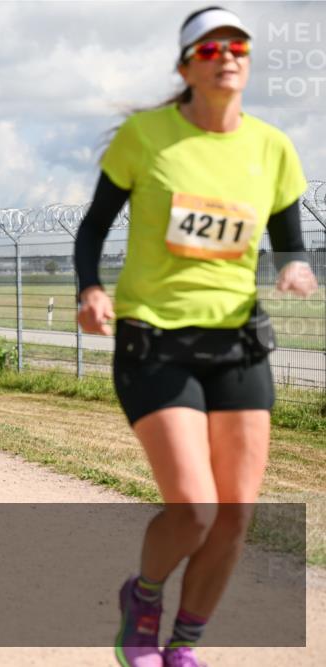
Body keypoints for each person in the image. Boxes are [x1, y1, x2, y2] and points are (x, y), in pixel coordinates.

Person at [73, 8, 319, 667]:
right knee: (196, 507)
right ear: (186, 67)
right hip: (154, 337)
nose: (227, 56)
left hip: (236, 340)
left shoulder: (271, 146)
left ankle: (185, 644)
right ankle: (143, 599)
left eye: (237, 45)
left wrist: (296, 264)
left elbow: (290, 237)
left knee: (236, 513)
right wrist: (90, 289)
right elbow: (93, 227)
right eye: (209, 48)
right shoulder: (146, 137)